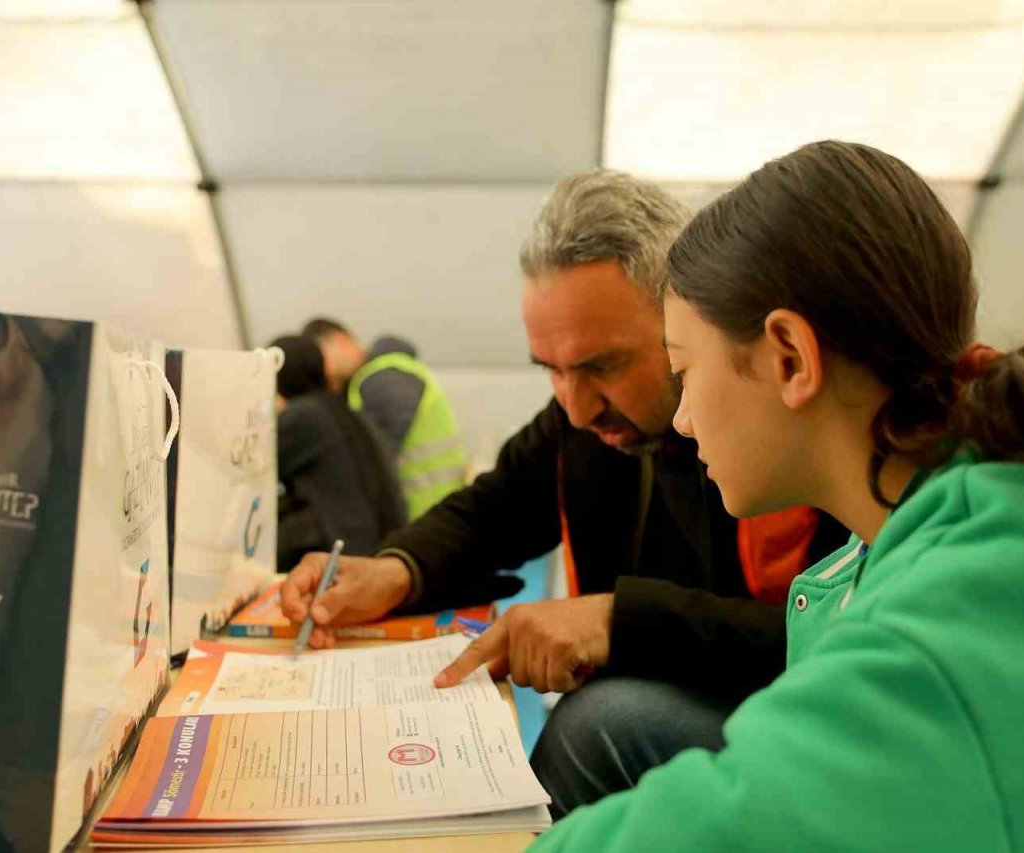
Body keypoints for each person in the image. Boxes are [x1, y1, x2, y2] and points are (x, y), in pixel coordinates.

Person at [531, 141, 1024, 852]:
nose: (682, 418)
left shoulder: (940, 630)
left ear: (790, 356)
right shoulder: (1020, 500)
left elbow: (727, 819)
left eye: (686, 369)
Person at [281, 170, 848, 817]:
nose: (575, 408)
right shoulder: (583, 421)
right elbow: (495, 507)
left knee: (599, 721)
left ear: (689, 319)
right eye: (551, 369)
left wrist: (620, 620)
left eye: (601, 365)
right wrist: (394, 569)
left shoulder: (782, 434)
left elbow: (832, 638)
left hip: (786, 722)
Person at [302, 318, 468, 519]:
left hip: (425, 512)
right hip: (433, 509)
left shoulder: (382, 378)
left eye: (324, 357)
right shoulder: (382, 374)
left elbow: (377, 457)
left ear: (342, 341)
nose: (325, 369)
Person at [270, 335, 406, 568]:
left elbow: (251, 468)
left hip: (347, 552)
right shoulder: (339, 407)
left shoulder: (303, 416)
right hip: (382, 543)